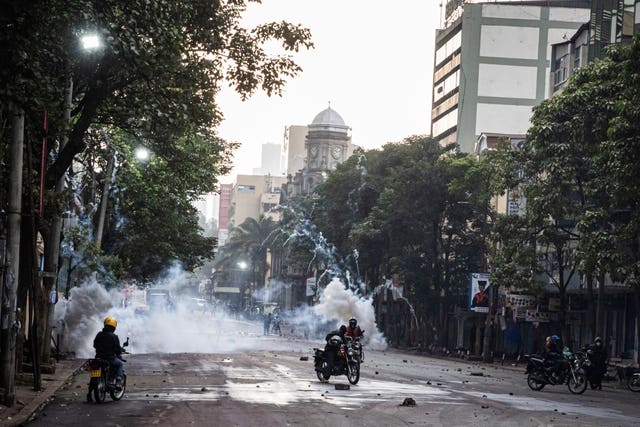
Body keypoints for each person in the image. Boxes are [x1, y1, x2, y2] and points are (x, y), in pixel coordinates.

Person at [93, 316, 126, 386]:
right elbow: (117, 350)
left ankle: (90, 393)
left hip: (98, 357)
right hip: (109, 359)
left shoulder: (99, 334)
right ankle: (118, 380)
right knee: (120, 364)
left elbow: (95, 345)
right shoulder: (114, 336)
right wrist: (119, 351)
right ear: (114, 327)